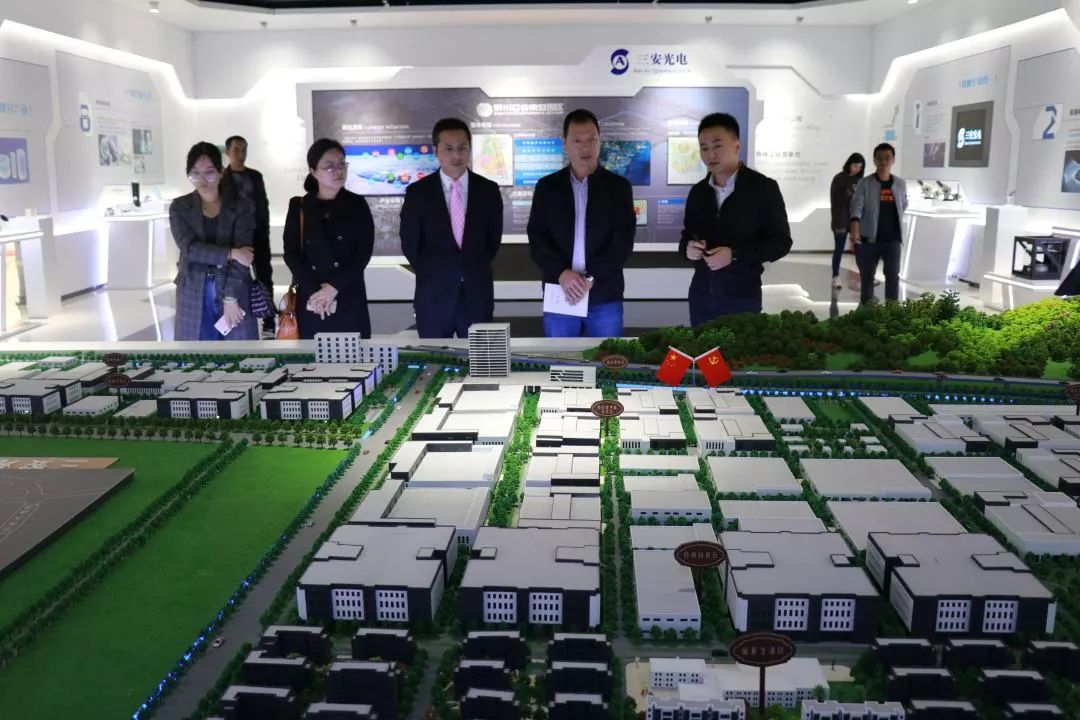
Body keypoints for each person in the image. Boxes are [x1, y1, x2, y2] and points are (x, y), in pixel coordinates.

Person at [527, 108, 635, 338]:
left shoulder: (618, 188)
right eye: (578, 141)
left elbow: (622, 242)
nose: (585, 147)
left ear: (600, 141)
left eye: (591, 140)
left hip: (604, 295)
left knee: (607, 358)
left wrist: (590, 277)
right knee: (561, 358)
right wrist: (561, 273)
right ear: (565, 143)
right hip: (560, 292)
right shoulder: (547, 188)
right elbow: (537, 237)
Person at [678, 113, 792, 325]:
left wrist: (735, 255)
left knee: (738, 348)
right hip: (701, 300)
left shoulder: (763, 188)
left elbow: (781, 243)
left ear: (736, 146)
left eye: (717, 146)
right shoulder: (698, 192)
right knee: (702, 347)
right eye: (704, 148)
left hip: (742, 302)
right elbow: (687, 236)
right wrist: (688, 249)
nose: (710, 154)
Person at [400, 118, 503, 338]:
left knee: (481, 358)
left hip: (477, 296)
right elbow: (410, 245)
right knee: (435, 357)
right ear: (436, 151)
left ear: (470, 149)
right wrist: (440, 272)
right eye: (448, 149)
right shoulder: (418, 193)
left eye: (462, 148)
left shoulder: (488, 191)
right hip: (434, 297)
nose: (456, 155)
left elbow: (492, 242)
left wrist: (468, 268)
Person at [283, 138, 374, 339]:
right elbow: (291, 253)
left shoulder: (357, 205)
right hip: (312, 299)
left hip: (347, 294)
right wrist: (316, 292)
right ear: (314, 171)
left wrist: (333, 288)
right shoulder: (299, 206)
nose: (338, 171)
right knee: (313, 356)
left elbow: (363, 253)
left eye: (342, 164)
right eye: (330, 166)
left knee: (354, 355)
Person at [170, 142, 257, 341]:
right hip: (193, 290)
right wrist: (230, 253)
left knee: (240, 354)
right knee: (198, 352)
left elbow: (244, 256)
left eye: (209, 172)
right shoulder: (180, 207)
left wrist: (230, 297)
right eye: (195, 173)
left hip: (233, 286)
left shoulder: (241, 206)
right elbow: (190, 249)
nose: (202, 180)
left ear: (220, 172)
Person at [222, 135, 274, 338]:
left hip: (257, 233)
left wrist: (264, 230)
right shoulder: (222, 178)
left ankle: (269, 319)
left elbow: (263, 206)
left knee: (264, 276)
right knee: (236, 277)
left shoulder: (255, 176)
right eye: (236, 149)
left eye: (244, 149)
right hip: (234, 238)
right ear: (228, 152)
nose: (240, 154)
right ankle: (237, 315)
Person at [850, 142, 908, 305]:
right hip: (869, 238)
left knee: (892, 275)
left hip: (893, 239)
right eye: (880, 158)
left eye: (887, 158)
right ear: (874, 160)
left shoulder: (900, 183)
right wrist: (855, 231)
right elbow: (856, 207)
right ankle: (866, 309)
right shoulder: (865, 183)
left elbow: (904, 204)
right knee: (867, 276)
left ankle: (892, 311)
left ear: (893, 160)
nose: (884, 161)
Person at [829, 153, 865, 288]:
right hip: (840, 219)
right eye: (855, 166)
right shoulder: (839, 179)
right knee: (839, 248)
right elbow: (835, 199)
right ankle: (835, 276)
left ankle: (865, 276)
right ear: (849, 164)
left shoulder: (861, 181)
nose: (857, 169)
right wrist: (850, 193)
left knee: (859, 248)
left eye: (860, 167)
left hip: (855, 220)